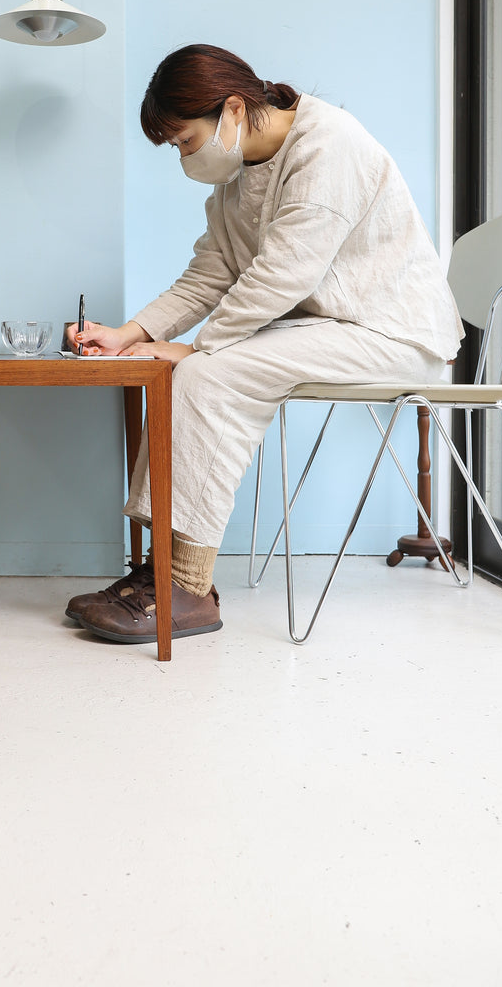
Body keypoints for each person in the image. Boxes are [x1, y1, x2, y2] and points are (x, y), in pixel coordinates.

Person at [65, 44, 464, 644]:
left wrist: (198, 351)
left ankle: (186, 589)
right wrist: (129, 335)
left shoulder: (328, 144)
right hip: (331, 329)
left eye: (185, 141)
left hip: (393, 331)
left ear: (231, 109)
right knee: (184, 371)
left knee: (204, 376)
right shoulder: (234, 183)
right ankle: (164, 576)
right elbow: (208, 276)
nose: (183, 159)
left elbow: (286, 274)